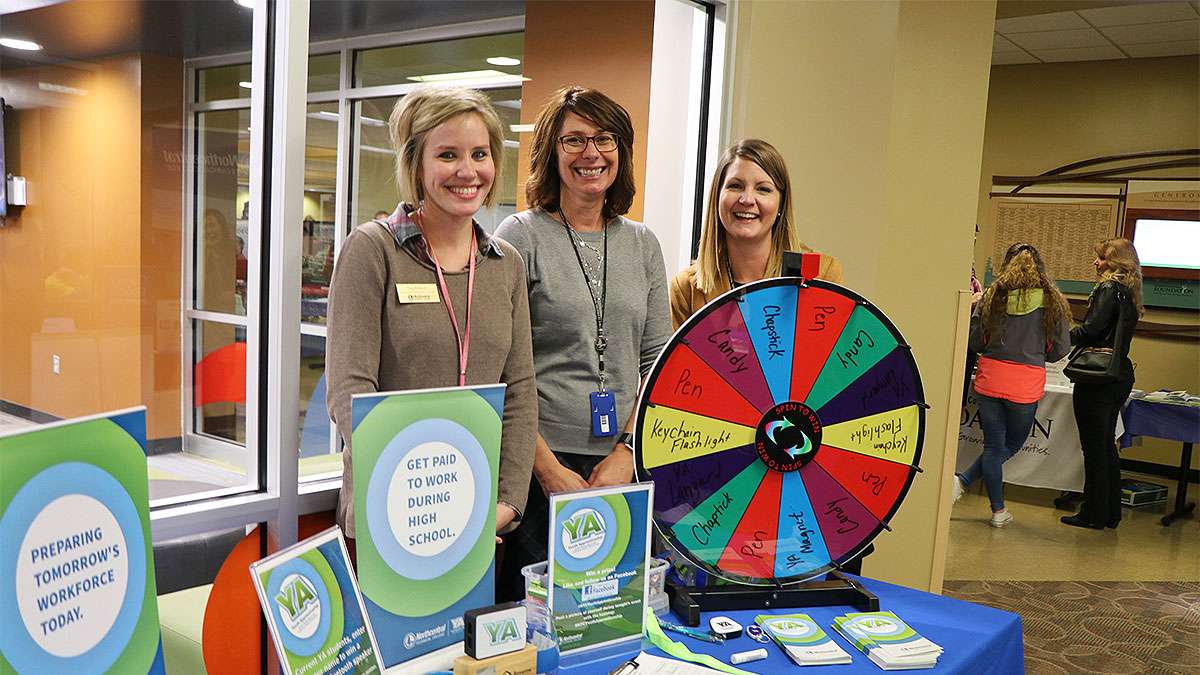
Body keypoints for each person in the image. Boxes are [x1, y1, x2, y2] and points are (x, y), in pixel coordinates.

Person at [325, 85, 537, 555]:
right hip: (391, 518)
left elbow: (520, 390)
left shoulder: (506, 264)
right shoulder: (372, 251)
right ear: (416, 165)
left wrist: (506, 502)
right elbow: (349, 392)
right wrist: (418, 505)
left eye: (480, 154)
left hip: (479, 520)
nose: (468, 171)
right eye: (447, 154)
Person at [494, 86, 671, 600]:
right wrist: (548, 471)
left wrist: (629, 451)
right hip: (538, 464)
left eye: (604, 138)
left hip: (621, 466)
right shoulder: (519, 236)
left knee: (610, 611)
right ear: (551, 151)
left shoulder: (642, 243)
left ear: (622, 151)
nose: (591, 153)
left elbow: (658, 360)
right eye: (574, 140)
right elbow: (506, 368)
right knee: (538, 617)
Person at [952, 243, 1071, 527]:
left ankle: (994, 508)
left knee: (993, 447)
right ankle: (968, 484)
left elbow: (975, 341)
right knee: (1012, 444)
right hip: (1025, 384)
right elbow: (1059, 350)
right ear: (1040, 267)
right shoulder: (1051, 301)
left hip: (990, 377)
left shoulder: (992, 296)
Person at [668, 138, 844, 329]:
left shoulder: (822, 274)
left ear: (781, 205)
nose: (747, 199)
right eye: (735, 186)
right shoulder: (686, 289)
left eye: (763, 189)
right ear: (717, 197)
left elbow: (831, 354)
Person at [1061, 238, 1142, 530]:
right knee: (1107, 446)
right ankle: (1110, 511)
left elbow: (1092, 329)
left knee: (1093, 447)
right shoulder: (1130, 293)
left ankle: (1092, 513)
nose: (1095, 263)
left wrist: (1064, 332)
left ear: (1116, 263)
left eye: (1102, 259)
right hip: (1119, 375)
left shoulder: (1108, 289)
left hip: (1097, 379)